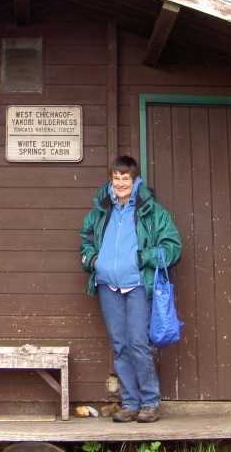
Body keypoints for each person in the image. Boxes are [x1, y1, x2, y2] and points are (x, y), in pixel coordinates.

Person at [79, 155, 182, 423]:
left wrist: (142, 257)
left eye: (126, 178)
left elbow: (173, 248)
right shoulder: (100, 211)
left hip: (138, 286)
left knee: (138, 343)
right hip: (107, 286)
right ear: (111, 180)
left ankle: (149, 402)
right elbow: (86, 241)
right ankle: (130, 402)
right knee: (120, 345)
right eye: (116, 177)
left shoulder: (153, 212)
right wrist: (93, 261)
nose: (121, 182)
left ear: (135, 180)